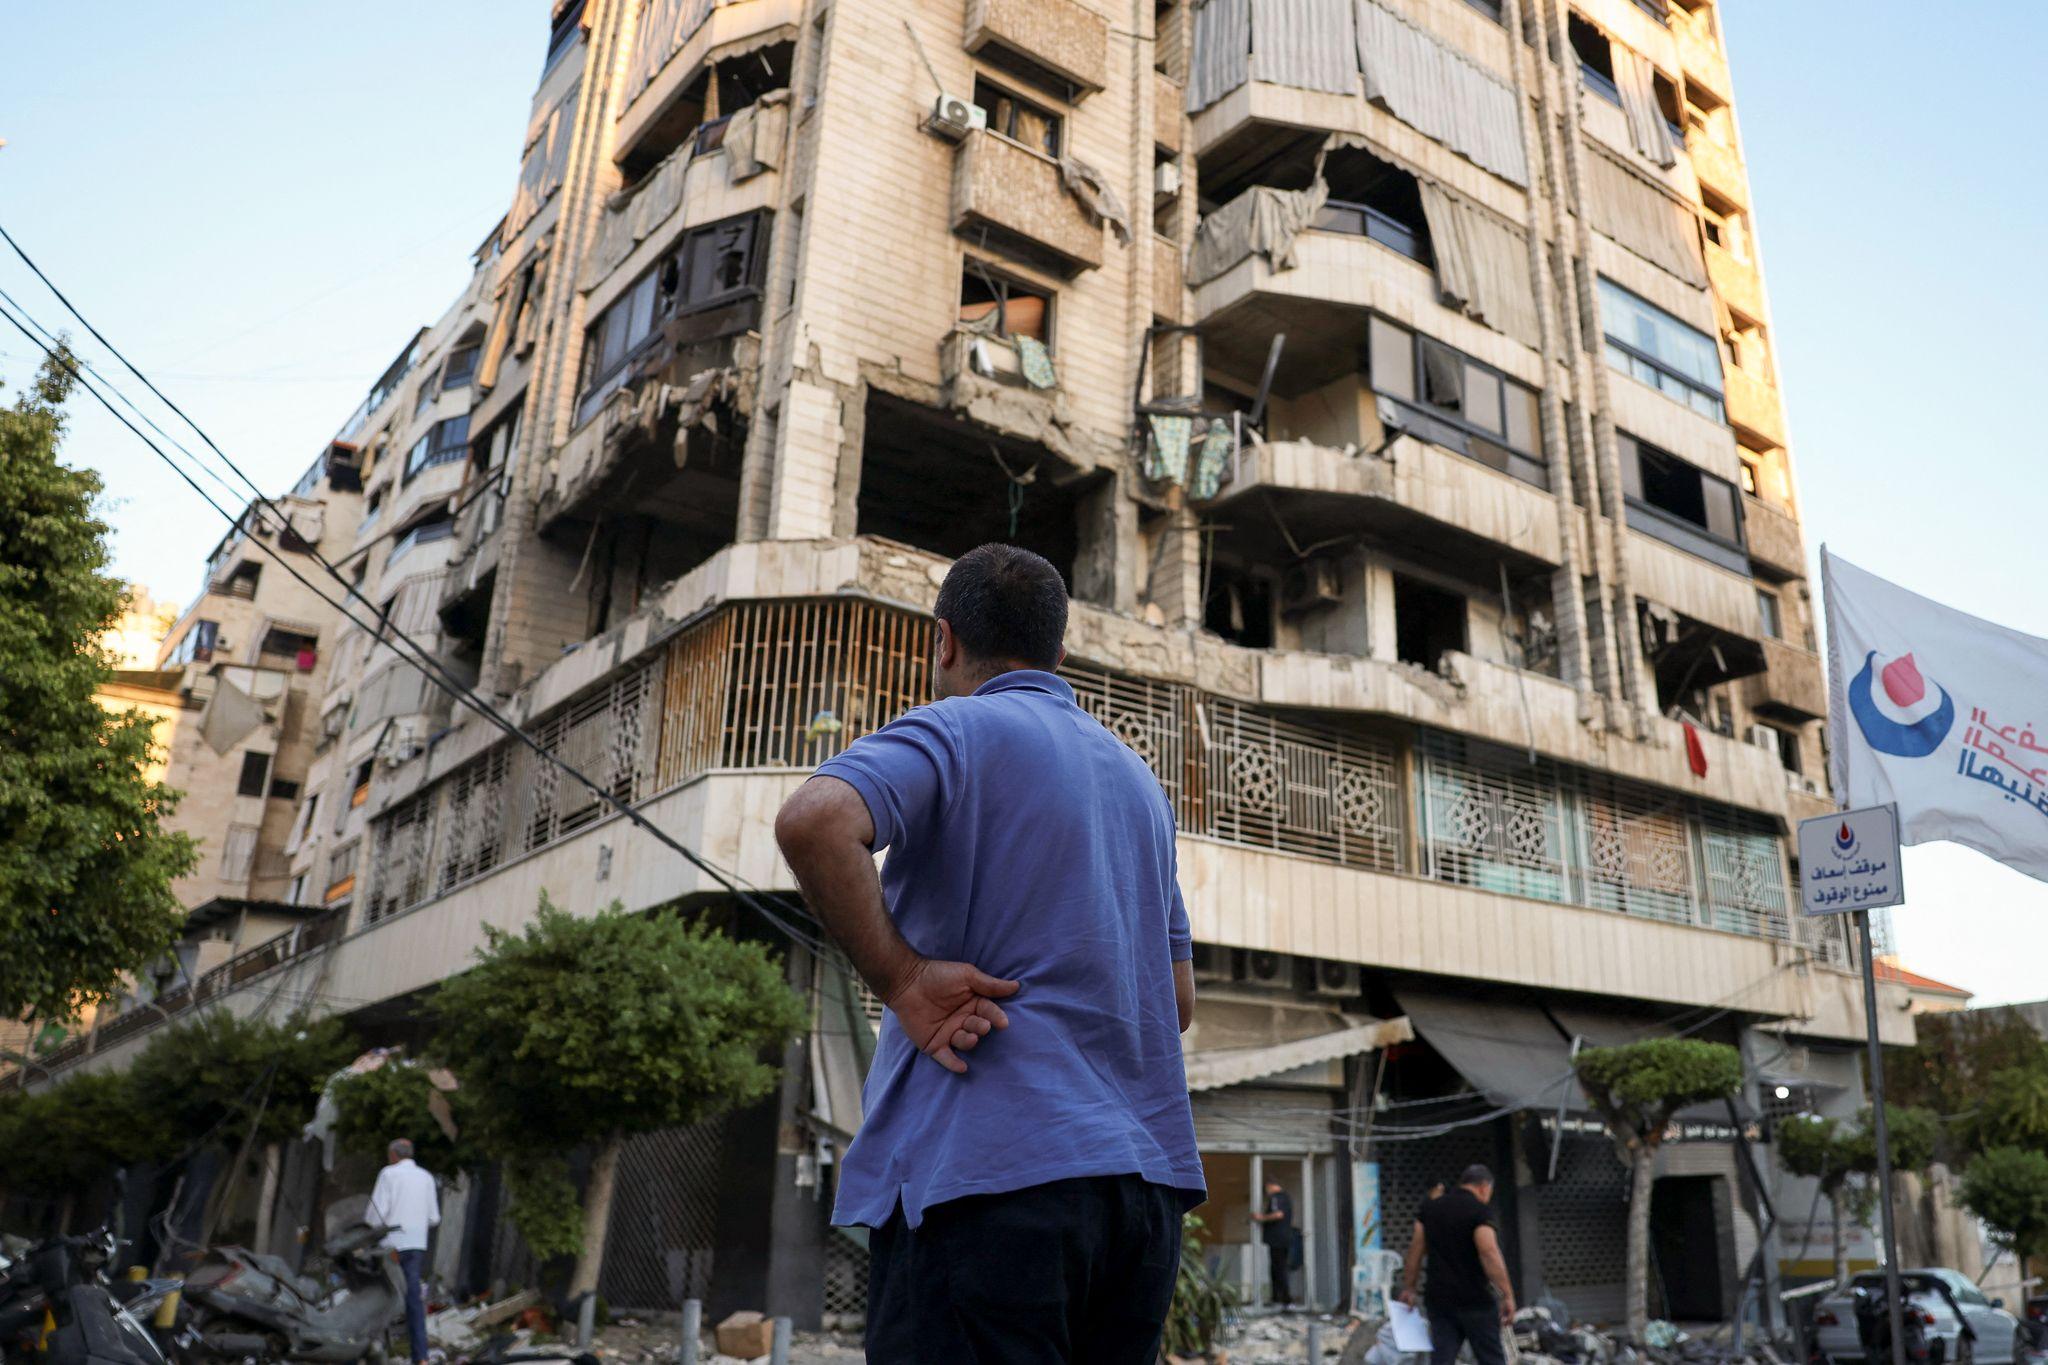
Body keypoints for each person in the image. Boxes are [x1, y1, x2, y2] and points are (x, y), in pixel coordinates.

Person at [774, 543, 1206, 1364]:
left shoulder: (960, 728)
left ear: (943, 641)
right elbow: (1176, 1001)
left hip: (988, 1184)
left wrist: (903, 979)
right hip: (1140, 1205)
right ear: (1060, 654)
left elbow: (815, 818)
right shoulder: (1139, 785)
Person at [1400, 1163, 1515, 1365]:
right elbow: (1489, 1253)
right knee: (1491, 1359)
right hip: (1475, 1301)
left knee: (1442, 1359)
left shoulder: (1429, 1209)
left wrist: (1409, 1287)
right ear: (1484, 1187)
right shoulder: (1480, 1212)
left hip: (1439, 1301)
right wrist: (1507, 1294)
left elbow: (1415, 1251)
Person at [368, 1138, 440, 1365]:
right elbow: (434, 1217)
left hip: (391, 1244)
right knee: (413, 1300)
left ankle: (369, 1348)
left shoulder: (389, 1174)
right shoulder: (427, 1177)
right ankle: (421, 1357)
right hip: (416, 1245)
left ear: (393, 1155)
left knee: (379, 1293)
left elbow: (375, 1215)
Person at [1250, 1177, 1298, 1308]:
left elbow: (1278, 1214)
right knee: (1276, 1269)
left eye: (1266, 1190)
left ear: (1270, 1186)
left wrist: (1261, 1217)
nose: (1267, 1193)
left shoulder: (1277, 1197)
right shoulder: (1285, 1197)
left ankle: (1286, 1300)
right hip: (1281, 1239)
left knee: (1279, 1269)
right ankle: (1278, 1298)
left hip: (1278, 1240)